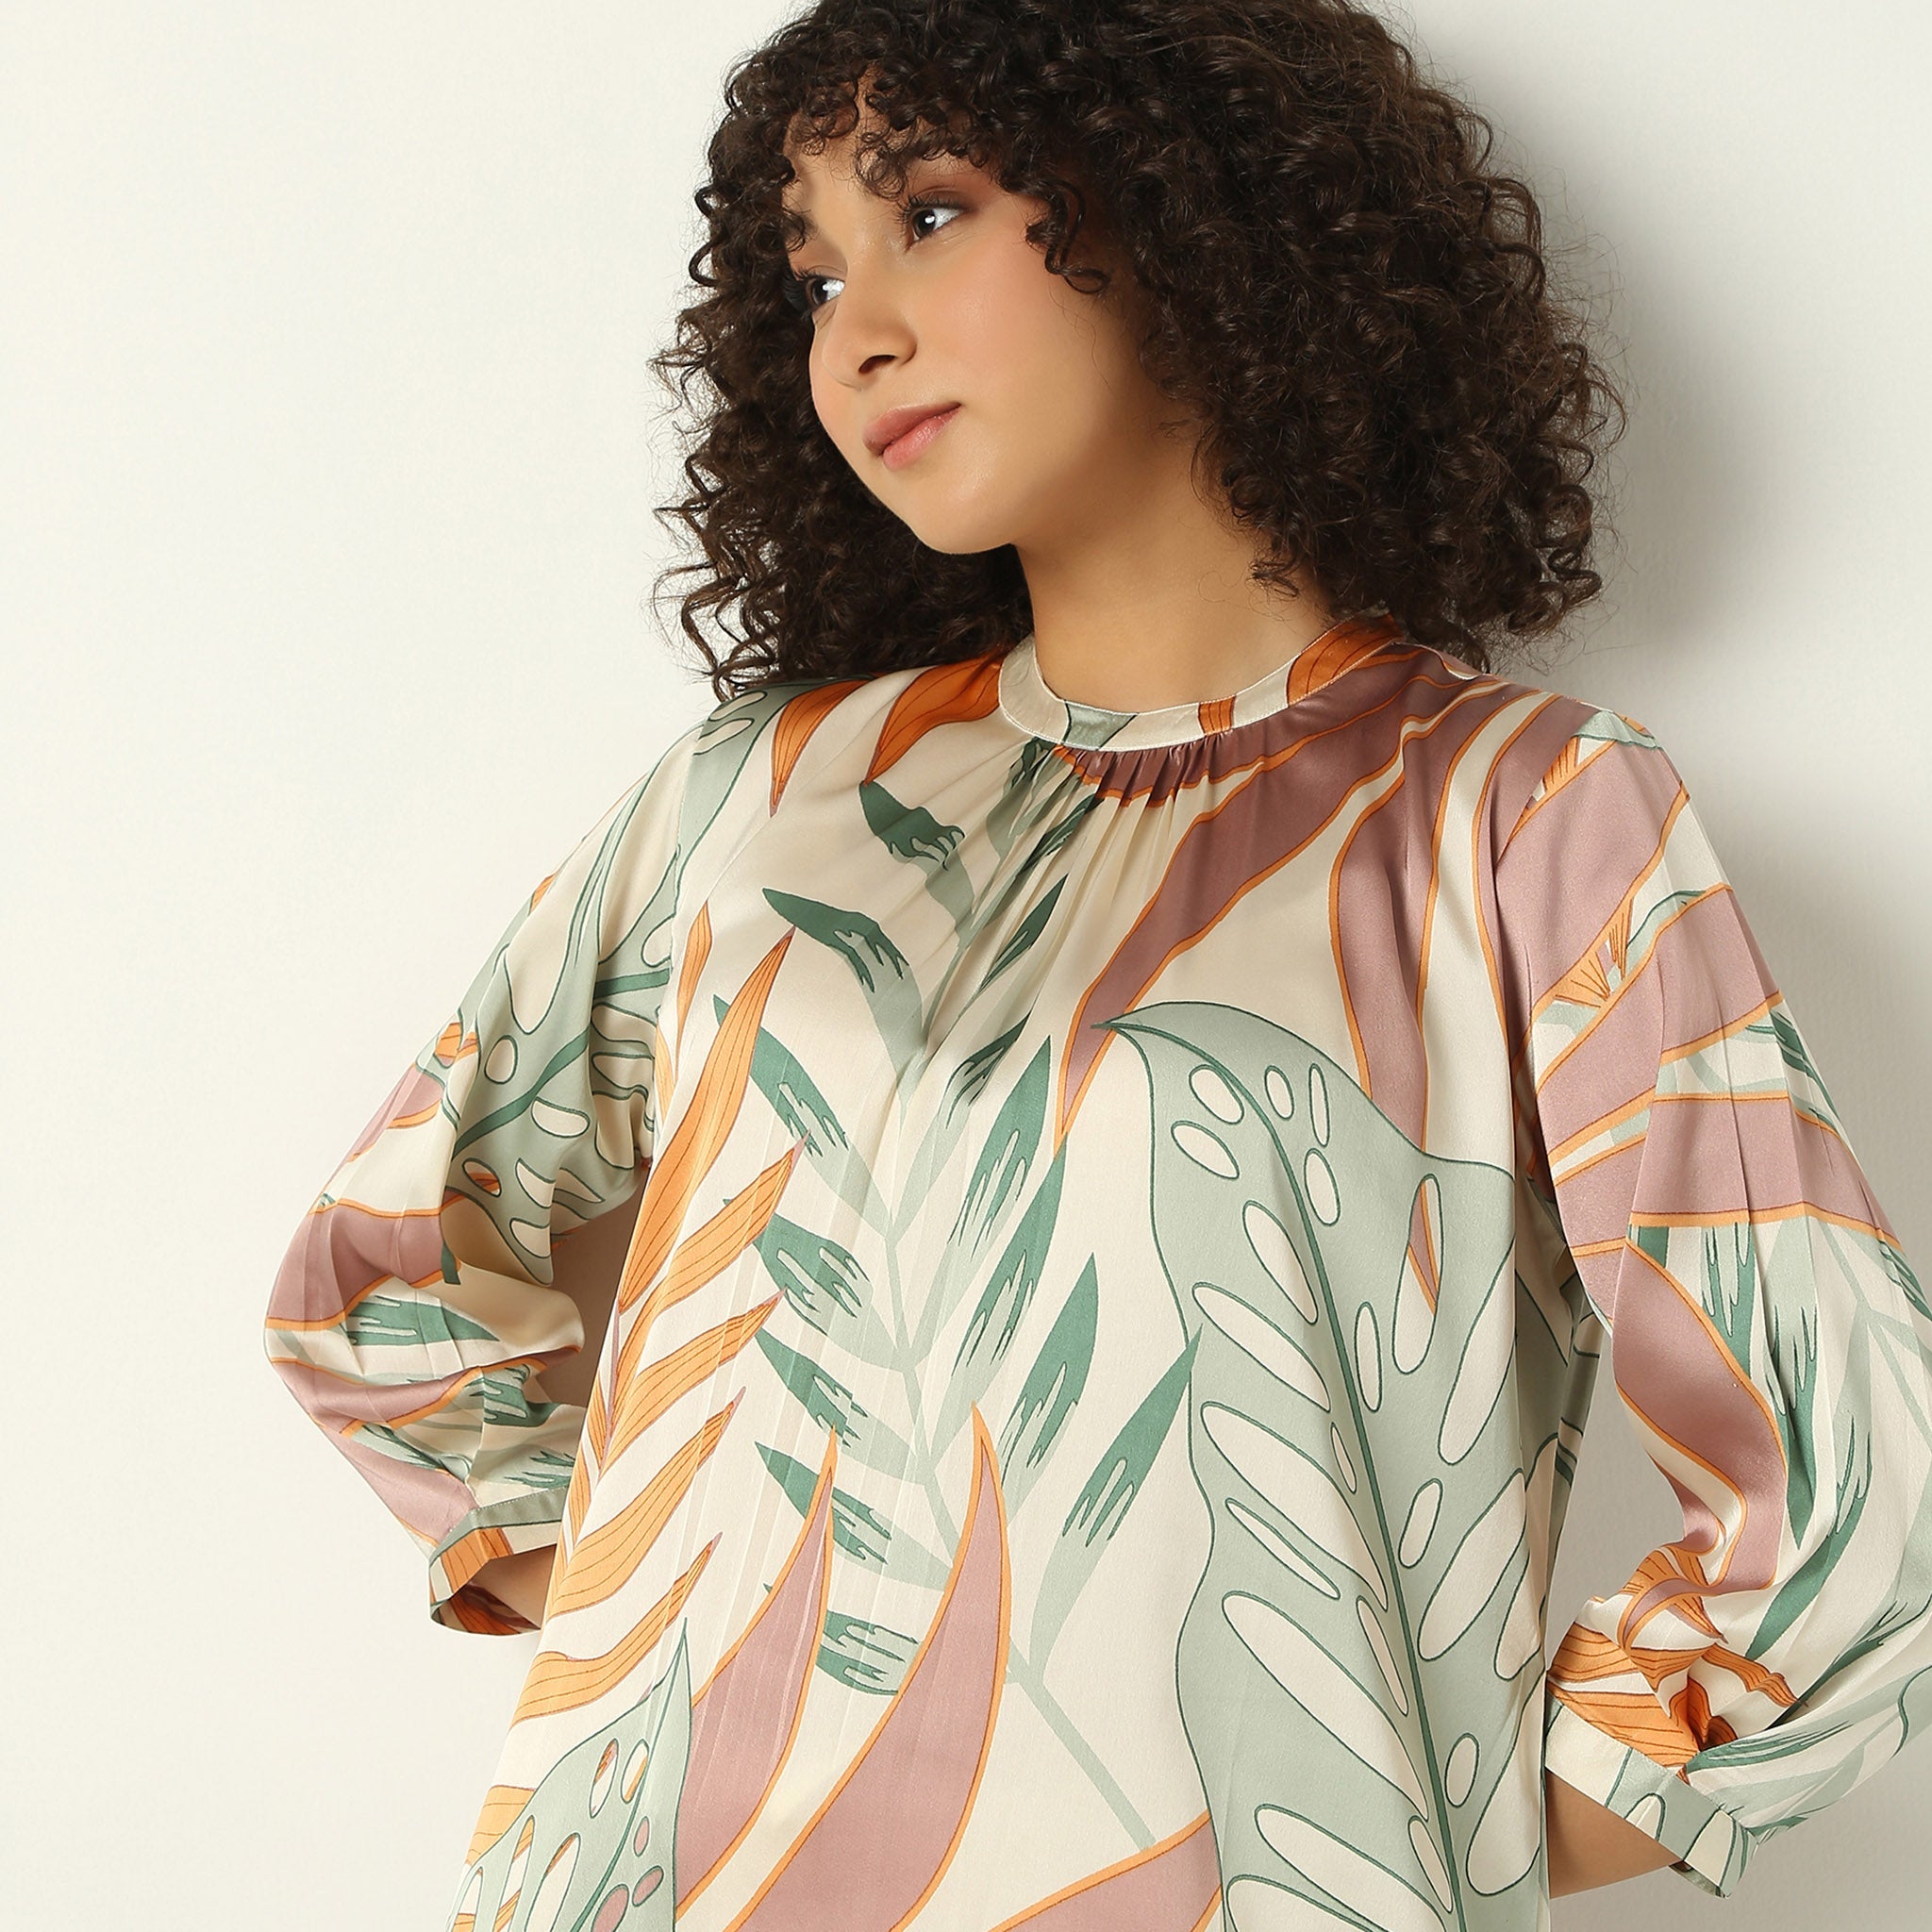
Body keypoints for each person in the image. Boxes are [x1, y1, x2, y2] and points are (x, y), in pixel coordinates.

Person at [263, 4, 1932, 1927]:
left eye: (929, 214)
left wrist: (1420, 1831)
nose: (855, 333)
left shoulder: (1517, 812)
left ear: (1180, 207)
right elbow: (381, 1281)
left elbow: (1849, 1501)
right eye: (812, 274)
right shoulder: (765, 797)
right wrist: (648, 1636)